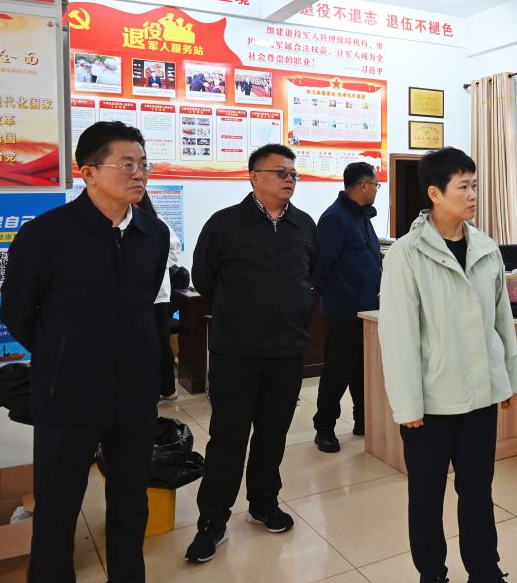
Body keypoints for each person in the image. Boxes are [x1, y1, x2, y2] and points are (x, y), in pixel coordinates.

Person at [0, 121, 168, 583]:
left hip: (134, 395)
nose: (139, 173)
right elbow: (17, 311)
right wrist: (64, 352)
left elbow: (144, 304)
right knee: (58, 507)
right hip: (67, 394)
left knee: (131, 504)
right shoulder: (46, 235)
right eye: (126, 164)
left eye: (143, 164)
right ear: (88, 172)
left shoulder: (153, 234)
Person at [379, 147, 517, 583]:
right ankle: (432, 573)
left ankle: (485, 570)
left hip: (480, 396)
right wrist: (407, 405)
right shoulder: (406, 254)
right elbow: (399, 336)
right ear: (435, 194)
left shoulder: (486, 248)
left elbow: (501, 321)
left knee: (477, 490)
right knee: (426, 495)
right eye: (463, 187)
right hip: (432, 403)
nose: (473, 194)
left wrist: (507, 379)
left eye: (475, 185)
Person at [186, 144, 320, 563]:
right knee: (228, 435)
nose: (289, 179)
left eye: (293, 173)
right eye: (280, 172)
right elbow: (204, 279)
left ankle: (263, 503)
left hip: (287, 351)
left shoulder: (303, 225)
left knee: (273, 433)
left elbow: (310, 275)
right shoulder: (225, 224)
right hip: (236, 352)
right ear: (254, 176)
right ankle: (212, 519)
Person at [311, 162, 382, 453]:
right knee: (337, 372)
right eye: (376, 184)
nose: (377, 190)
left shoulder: (361, 216)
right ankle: (324, 428)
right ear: (363, 185)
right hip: (344, 310)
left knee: (362, 371)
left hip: (367, 309)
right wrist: (333, 295)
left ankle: (362, 420)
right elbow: (321, 267)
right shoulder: (335, 218)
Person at [136, 190, 183, 400]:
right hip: (128, 296)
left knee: (160, 343)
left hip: (156, 296)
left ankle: (167, 388)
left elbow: (174, 250)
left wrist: (152, 266)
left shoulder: (156, 222)